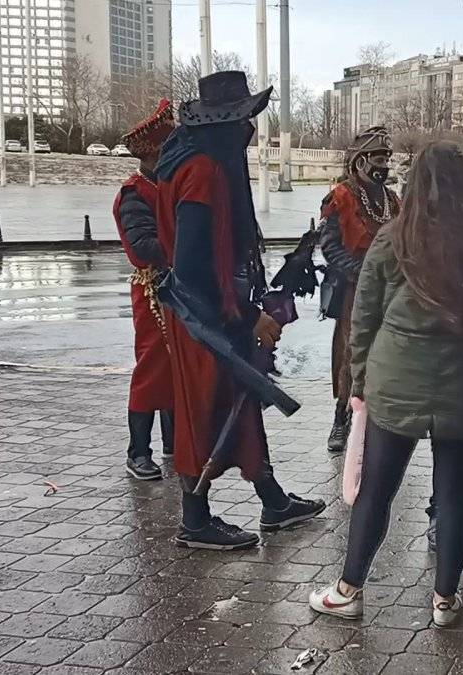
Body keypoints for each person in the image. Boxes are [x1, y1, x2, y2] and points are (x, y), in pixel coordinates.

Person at [308, 141, 463, 626]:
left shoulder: (393, 240)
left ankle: (349, 591)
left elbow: (363, 321)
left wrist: (358, 383)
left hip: (395, 385)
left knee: (377, 490)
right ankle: (445, 602)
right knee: (454, 493)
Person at [153, 71, 325, 550]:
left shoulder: (189, 162)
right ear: (225, 125)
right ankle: (195, 520)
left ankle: (272, 500)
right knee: (203, 411)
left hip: (211, 310)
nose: (250, 131)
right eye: (245, 121)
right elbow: (193, 264)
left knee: (241, 404)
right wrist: (249, 318)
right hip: (203, 316)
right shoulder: (203, 171)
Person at [319, 126, 400, 454]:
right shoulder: (341, 196)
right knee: (353, 354)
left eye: (387, 158)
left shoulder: (393, 200)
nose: (384, 164)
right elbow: (329, 246)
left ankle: (384, 418)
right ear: (361, 161)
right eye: (379, 158)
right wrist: (363, 272)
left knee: (392, 351)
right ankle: (341, 418)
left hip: (392, 289)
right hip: (356, 289)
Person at [112, 99, 176, 481]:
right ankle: (138, 451)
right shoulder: (135, 194)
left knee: (176, 364)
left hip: (174, 287)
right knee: (152, 368)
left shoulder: (164, 187)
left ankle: (173, 441)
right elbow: (143, 248)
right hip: (152, 290)